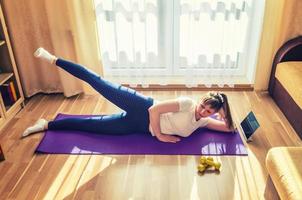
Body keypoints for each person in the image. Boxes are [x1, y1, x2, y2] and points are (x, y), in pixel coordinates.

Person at [22, 47, 235, 143]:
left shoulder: (203, 122)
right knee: (97, 81)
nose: (203, 110)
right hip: (140, 106)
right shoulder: (188, 103)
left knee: (92, 125)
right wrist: (160, 136)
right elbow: (154, 109)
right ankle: (53, 59)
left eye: (209, 110)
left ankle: (47, 125)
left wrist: (223, 108)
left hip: (138, 127)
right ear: (200, 101)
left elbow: (229, 128)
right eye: (204, 105)